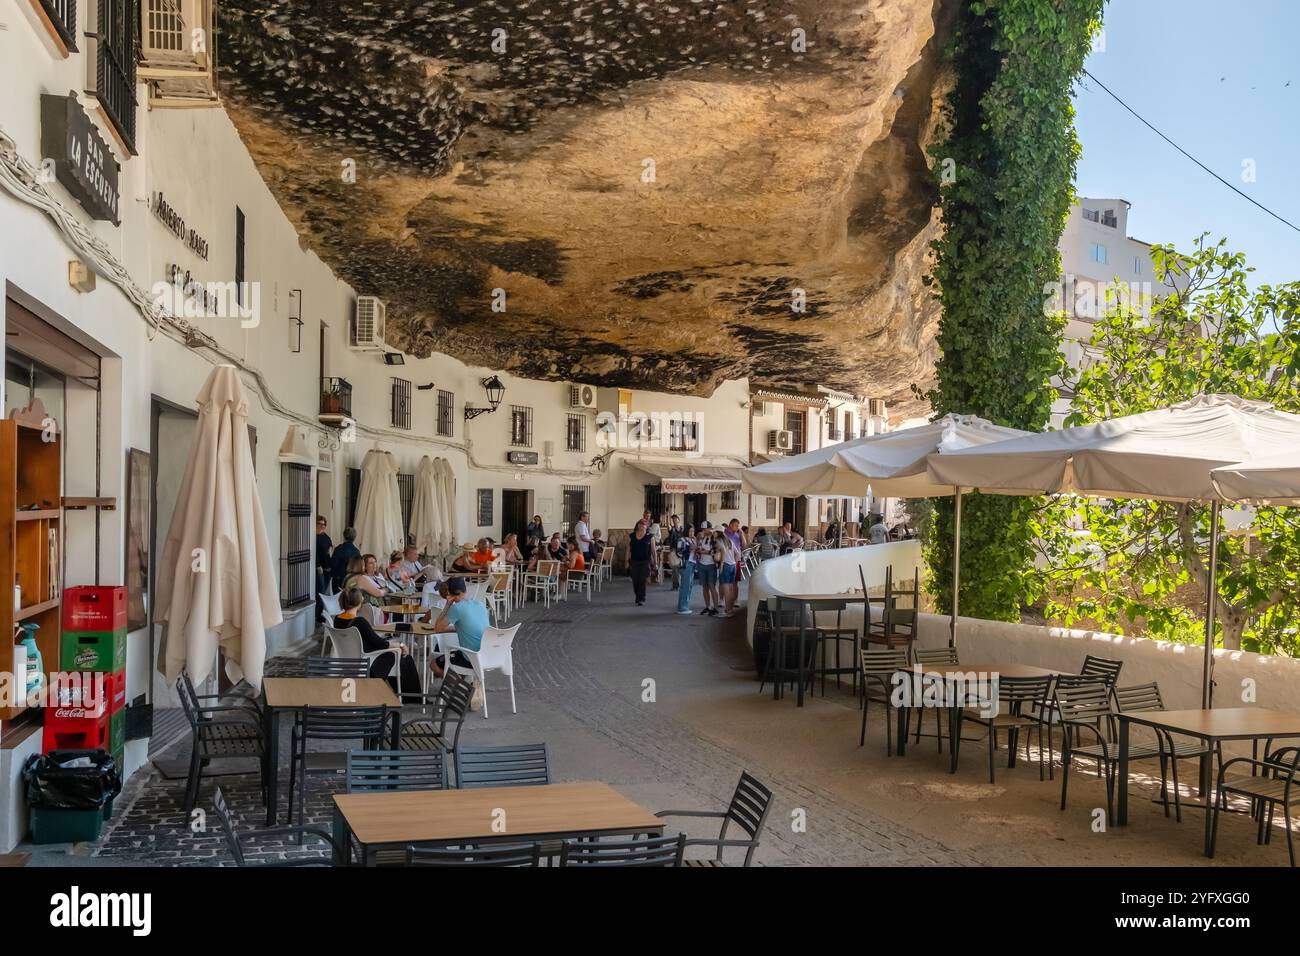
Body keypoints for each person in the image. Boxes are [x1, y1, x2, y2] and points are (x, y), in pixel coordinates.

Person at [334, 588, 422, 703]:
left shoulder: (337, 619)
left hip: (348, 658)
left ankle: (405, 696)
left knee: (400, 658)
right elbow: (381, 644)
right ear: (360, 602)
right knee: (399, 656)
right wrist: (400, 644)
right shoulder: (360, 622)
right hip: (367, 658)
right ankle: (409, 697)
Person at [428, 577, 488, 709]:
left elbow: (437, 628)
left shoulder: (457, 609)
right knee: (456, 658)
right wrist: (458, 629)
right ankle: (472, 684)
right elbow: (474, 627)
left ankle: (465, 690)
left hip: (470, 658)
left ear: (450, 594)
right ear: (465, 590)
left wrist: (447, 606)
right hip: (487, 656)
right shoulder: (480, 604)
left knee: (434, 665)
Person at [343, 554, 389, 619]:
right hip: (366, 614)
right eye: (365, 564)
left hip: (351, 610)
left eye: (375, 562)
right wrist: (386, 589)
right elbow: (378, 593)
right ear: (362, 566)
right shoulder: (360, 578)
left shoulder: (348, 577)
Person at [627, 518, 654, 606]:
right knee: (635, 580)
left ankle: (641, 598)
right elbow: (629, 549)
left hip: (645, 561)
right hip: (634, 561)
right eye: (640, 524)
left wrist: (655, 562)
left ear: (647, 526)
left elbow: (653, 550)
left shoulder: (650, 537)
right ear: (637, 525)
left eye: (644, 524)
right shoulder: (632, 536)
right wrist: (627, 560)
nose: (642, 526)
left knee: (642, 579)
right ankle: (637, 594)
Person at [717, 528, 742, 618]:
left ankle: (727, 611)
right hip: (733, 566)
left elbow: (723, 551)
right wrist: (735, 563)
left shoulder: (719, 541)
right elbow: (738, 553)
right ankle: (730, 609)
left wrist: (721, 565)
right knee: (731, 588)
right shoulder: (730, 540)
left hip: (726, 565)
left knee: (726, 589)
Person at [694, 526, 718, 615]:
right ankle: (708, 606)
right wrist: (699, 549)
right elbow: (699, 548)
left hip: (711, 565)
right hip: (702, 564)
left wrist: (704, 552)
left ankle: (715, 608)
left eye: (705, 529)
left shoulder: (714, 538)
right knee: (704, 587)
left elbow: (714, 551)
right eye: (703, 529)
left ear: (710, 528)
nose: (703, 531)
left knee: (712, 586)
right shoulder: (702, 537)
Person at [675, 525, 697, 615]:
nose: (692, 533)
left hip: (692, 563)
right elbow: (679, 551)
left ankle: (685, 605)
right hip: (685, 564)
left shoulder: (692, 539)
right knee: (685, 585)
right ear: (686, 531)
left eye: (693, 531)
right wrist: (689, 548)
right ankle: (682, 607)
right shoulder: (682, 539)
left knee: (690, 585)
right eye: (690, 531)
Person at [329, 526, 360, 592]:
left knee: (338, 599)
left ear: (344, 536)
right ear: (354, 537)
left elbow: (333, 563)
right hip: (351, 579)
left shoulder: (339, 549)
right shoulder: (357, 551)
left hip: (338, 578)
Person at [315, 515, 333, 623]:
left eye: (323, 524)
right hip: (319, 569)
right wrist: (317, 565)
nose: (321, 526)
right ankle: (318, 615)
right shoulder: (313, 537)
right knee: (320, 592)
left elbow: (329, 552)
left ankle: (319, 614)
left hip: (327, 569)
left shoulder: (326, 537)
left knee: (323, 593)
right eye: (319, 524)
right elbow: (315, 553)